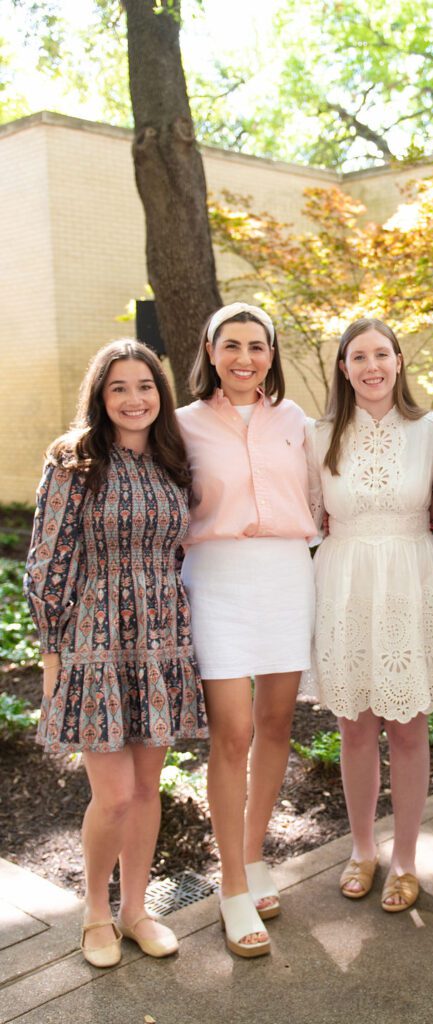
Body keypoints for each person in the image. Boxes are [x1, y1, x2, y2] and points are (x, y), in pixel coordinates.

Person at [25, 340, 207, 968]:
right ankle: (95, 913)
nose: (135, 400)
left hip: (160, 638)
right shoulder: (75, 461)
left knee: (149, 788)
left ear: (161, 393)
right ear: (101, 398)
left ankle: (136, 911)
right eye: (119, 388)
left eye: (146, 387)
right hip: (95, 640)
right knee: (116, 795)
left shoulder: (173, 461)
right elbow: (47, 560)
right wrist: (54, 654)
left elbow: (183, 552)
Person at [176, 302, 316, 959]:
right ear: (209, 350)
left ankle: (256, 854)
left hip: (288, 576)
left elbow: (320, 499)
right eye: (231, 345)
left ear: (271, 353)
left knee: (277, 725)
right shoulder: (180, 427)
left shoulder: (296, 422)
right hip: (218, 582)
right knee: (232, 733)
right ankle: (232, 885)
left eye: (257, 346)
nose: (244, 357)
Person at [307, 318, 433, 912]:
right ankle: (363, 849)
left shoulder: (432, 429)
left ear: (398, 361)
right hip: (343, 583)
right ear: (343, 367)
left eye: (381, 354)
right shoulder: (317, 436)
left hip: (412, 580)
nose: (371, 366)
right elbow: (310, 515)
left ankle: (408, 858)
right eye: (358, 356)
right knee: (355, 727)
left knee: (410, 727)